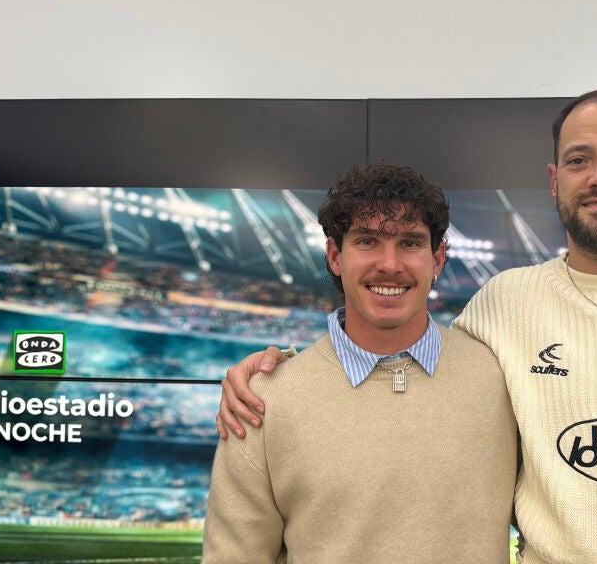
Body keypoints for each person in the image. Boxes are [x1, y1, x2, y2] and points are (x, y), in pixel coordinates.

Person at [218, 90, 597, 563]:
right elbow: (396, 350)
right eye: (579, 159)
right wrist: (280, 367)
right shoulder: (504, 303)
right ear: (555, 180)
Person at [202, 163, 517, 563]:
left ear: (437, 260)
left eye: (410, 242)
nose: (389, 264)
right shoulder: (261, 400)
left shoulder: (501, 378)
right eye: (367, 241)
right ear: (335, 256)